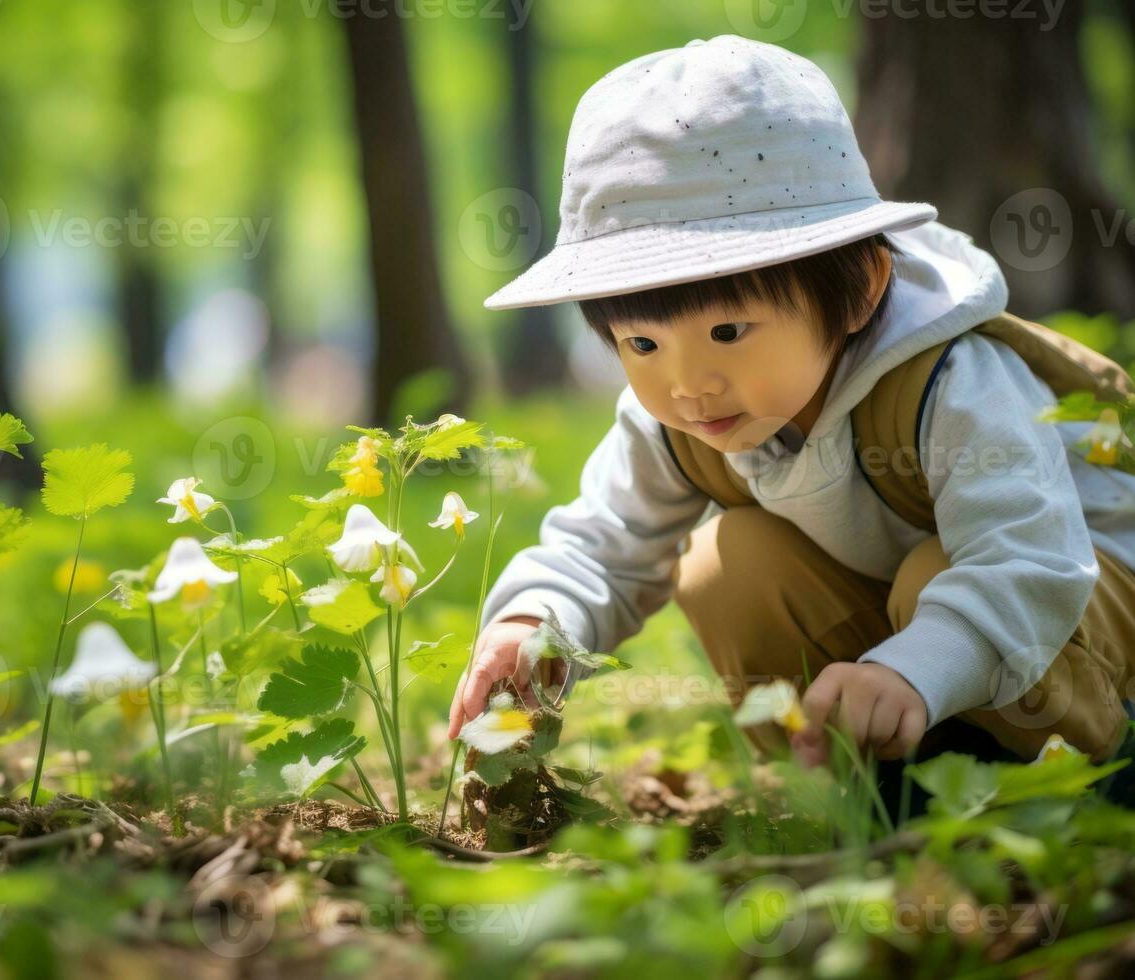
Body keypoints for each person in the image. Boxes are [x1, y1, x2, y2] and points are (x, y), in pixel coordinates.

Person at [445, 36, 1135, 788]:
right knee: (721, 565)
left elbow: (1030, 560)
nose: (687, 385)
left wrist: (914, 668)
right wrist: (533, 623)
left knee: (932, 574)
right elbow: (603, 548)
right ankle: (867, 788)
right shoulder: (678, 423)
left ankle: (1072, 782)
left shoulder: (948, 378)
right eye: (641, 342)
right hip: (906, 653)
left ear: (863, 288)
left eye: (728, 332)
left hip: (1076, 621)